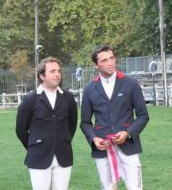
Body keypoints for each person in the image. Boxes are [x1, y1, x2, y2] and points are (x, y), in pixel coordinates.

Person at [80, 44, 149, 190]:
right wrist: (94, 138)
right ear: (95, 65)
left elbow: (143, 116)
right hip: (103, 149)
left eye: (111, 58)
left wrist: (128, 133)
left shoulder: (131, 84)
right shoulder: (89, 90)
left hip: (129, 146)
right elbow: (85, 122)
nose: (110, 63)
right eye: (104, 60)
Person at [15, 57, 78, 190]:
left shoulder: (68, 98)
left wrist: (63, 141)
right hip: (38, 157)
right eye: (53, 71)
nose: (57, 74)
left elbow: (72, 124)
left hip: (64, 156)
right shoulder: (30, 99)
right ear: (42, 76)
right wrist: (35, 146)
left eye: (59, 71)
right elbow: (20, 129)